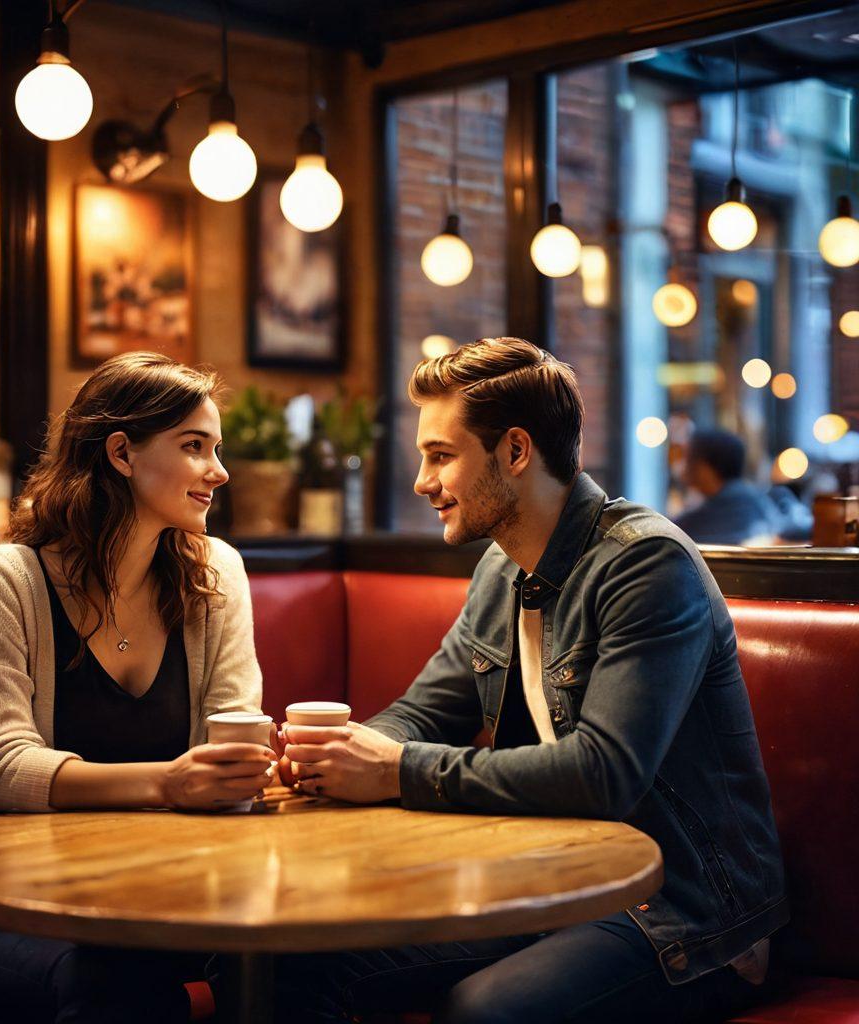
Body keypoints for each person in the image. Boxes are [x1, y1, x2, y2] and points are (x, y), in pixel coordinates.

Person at [279, 338, 787, 1023]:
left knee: (484, 1012)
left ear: (515, 452)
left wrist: (396, 770)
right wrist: (330, 758)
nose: (422, 483)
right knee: (288, 962)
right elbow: (425, 713)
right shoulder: (501, 569)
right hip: (553, 878)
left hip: (685, 909)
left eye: (440, 456)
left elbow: (604, 774)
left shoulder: (646, 566)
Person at [0, 352, 275, 1023]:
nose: (220, 471)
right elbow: (3, 768)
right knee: (113, 983)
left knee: (287, 967)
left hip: (167, 895)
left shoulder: (215, 575)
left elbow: (232, 731)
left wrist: (246, 770)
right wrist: (170, 783)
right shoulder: (6, 579)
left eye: (218, 448)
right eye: (194, 447)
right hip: (12, 904)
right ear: (121, 453)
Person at [674, 428, 783, 545]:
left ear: (705, 469)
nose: (681, 466)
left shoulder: (700, 520)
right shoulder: (757, 501)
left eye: (687, 458)